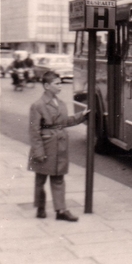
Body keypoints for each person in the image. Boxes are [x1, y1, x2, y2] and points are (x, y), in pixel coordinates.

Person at [28, 71, 89, 221]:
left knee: (58, 177)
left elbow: (64, 122)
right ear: (47, 86)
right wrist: (38, 151)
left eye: (60, 83)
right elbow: (34, 131)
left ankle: (60, 210)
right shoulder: (38, 105)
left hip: (59, 146)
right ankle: (40, 207)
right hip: (46, 145)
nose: (60, 86)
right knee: (40, 179)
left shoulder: (60, 103)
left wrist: (82, 116)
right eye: (57, 84)